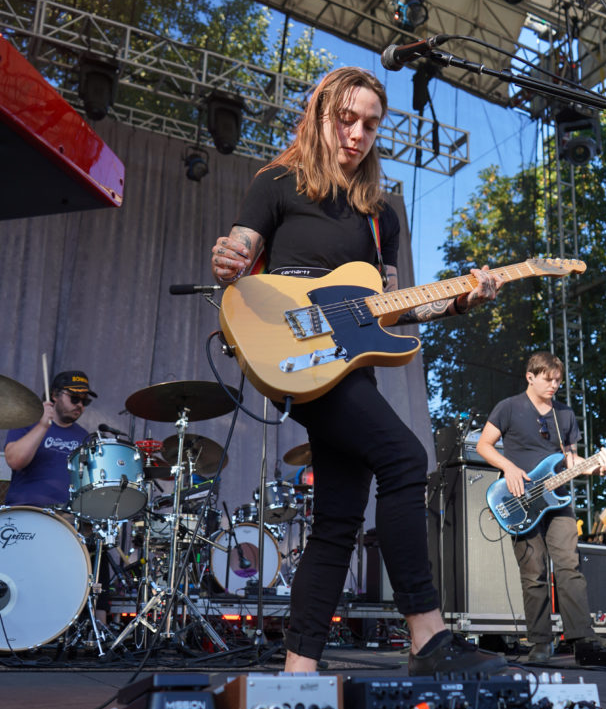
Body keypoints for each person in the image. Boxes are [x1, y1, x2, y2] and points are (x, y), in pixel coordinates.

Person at [211, 65, 508, 676]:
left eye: (370, 125)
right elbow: (240, 248)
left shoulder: (381, 216)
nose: (357, 134)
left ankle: (298, 671)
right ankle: (428, 638)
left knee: (337, 521)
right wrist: (229, 256)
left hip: (352, 369)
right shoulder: (277, 182)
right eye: (346, 119)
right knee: (404, 458)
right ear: (320, 113)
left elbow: (394, 307)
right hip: (299, 360)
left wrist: (461, 299)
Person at [475, 351, 606, 662]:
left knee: (569, 566)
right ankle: (540, 643)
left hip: (558, 499)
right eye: (548, 379)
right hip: (520, 500)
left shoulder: (564, 414)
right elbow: (483, 445)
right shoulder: (509, 407)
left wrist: (599, 466)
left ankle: (583, 640)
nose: (554, 385)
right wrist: (509, 468)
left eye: (558, 380)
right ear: (530, 377)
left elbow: (570, 460)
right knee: (533, 572)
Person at [4, 370, 96, 508]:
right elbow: (15, 461)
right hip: (26, 509)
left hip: (67, 515)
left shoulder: (85, 437)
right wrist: (42, 426)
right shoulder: (28, 423)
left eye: (85, 401)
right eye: (75, 398)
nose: (80, 405)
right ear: (54, 395)